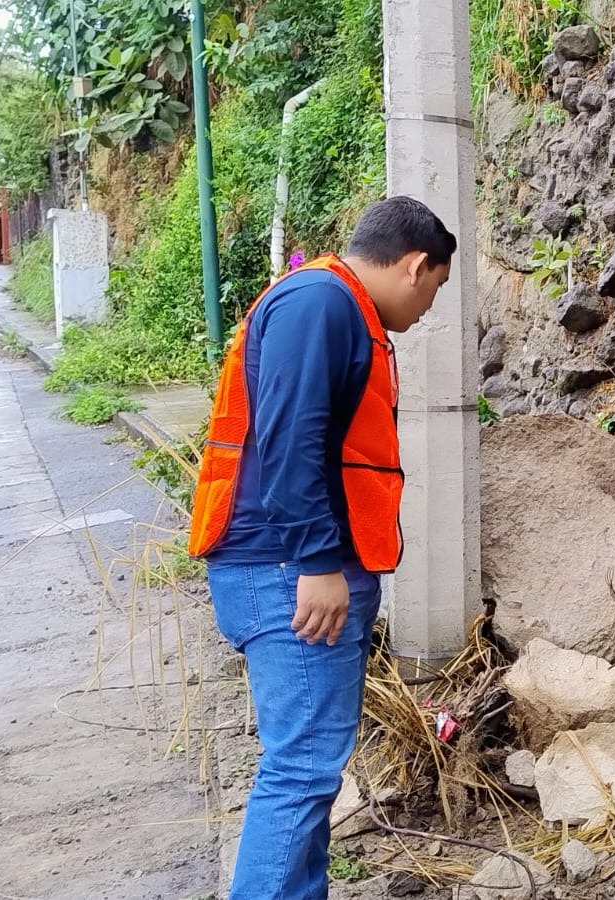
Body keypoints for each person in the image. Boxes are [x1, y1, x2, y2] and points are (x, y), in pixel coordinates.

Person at [187, 196, 456, 898]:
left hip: (289, 564)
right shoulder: (321, 303)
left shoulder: (332, 304)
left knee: (308, 768)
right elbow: (289, 438)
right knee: (302, 768)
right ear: (415, 265)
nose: (428, 308)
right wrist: (316, 562)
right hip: (287, 569)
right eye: (434, 289)